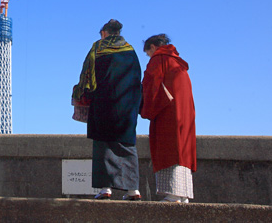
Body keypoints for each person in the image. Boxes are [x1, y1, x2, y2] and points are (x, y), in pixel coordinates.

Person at [72, 19, 142, 200]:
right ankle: (133, 190)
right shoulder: (130, 50)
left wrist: (80, 93)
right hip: (126, 104)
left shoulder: (98, 48)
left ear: (104, 32)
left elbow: (86, 75)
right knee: (127, 144)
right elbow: (137, 79)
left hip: (103, 102)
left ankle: (105, 189)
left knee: (103, 145)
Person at [140, 34, 196, 203]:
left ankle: (172, 194)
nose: (148, 57)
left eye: (148, 53)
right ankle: (183, 194)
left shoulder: (158, 60)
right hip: (184, 114)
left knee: (168, 150)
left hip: (167, 113)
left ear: (153, 47)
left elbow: (152, 85)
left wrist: (145, 108)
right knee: (182, 151)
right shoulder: (179, 63)